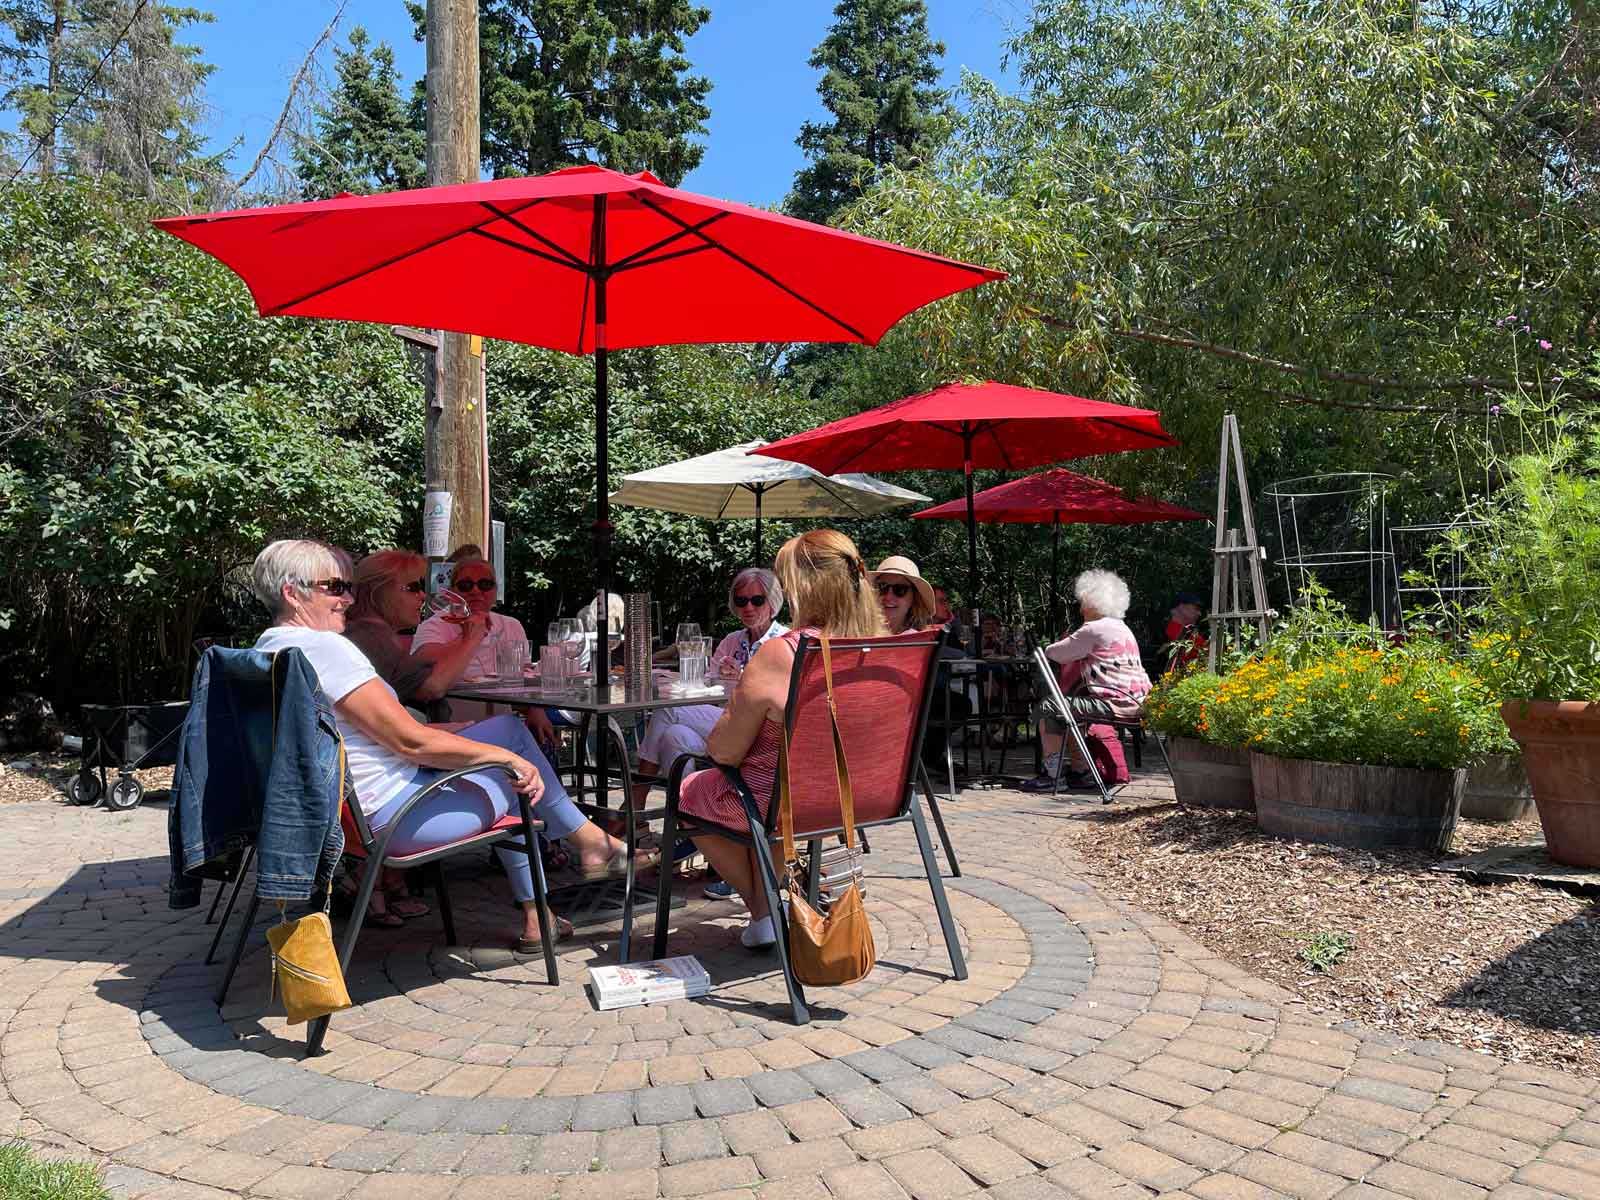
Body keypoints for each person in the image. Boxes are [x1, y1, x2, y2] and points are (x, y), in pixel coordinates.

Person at [249, 539, 651, 950]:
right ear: (292, 592)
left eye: (348, 587)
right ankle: (550, 899)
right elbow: (410, 741)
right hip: (396, 818)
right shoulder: (328, 649)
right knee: (513, 777)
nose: (349, 599)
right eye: (336, 588)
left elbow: (393, 733)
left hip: (350, 811)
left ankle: (581, 854)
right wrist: (505, 758)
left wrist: (482, 741)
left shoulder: (268, 649)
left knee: (509, 734)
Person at [675, 531, 885, 949]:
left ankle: (765, 909)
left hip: (789, 801)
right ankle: (770, 912)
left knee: (692, 790)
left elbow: (723, 750)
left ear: (802, 588)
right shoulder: (882, 648)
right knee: (766, 789)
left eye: (784, 582)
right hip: (861, 796)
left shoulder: (783, 653)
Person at [631, 570, 788, 868]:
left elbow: (779, 699)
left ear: (773, 602)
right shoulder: (731, 641)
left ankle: (636, 803)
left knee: (669, 710)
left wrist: (742, 679)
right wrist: (715, 679)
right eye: (741, 600)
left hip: (758, 733)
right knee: (674, 735)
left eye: (757, 599)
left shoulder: (782, 642)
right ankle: (694, 826)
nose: (749, 607)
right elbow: (706, 690)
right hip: (724, 727)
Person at [1021, 569, 1153, 793]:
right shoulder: (1123, 628)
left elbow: (1055, 654)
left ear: (1093, 602)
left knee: (1049, 706)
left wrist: (1049, 645)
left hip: (1115, 705)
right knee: (1069, 707)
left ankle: (1053, 775)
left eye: (1082, 602)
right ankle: (1081, 771)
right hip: (1141, 702)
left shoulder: (1094, 629)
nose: (1081, 608)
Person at [411, 556, 549, 743]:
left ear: (495, 590)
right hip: (455, 730)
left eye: (485, 584)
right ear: (453, 591)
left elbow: (524, 678)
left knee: (543, 740)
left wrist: (536, 709)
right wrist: (469, 636)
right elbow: (425, 674)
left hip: (504, 727)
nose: (476, 591)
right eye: (466, 585)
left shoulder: (511, 625)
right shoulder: (433, 627)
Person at [344, 550, 489, 718]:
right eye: (413, 588)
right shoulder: (371, 638)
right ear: (379, 592)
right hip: (404, 740)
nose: (422, 595)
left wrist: (465, 638)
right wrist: (472, 639)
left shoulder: (372, 633)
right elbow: (432, 686)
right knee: (510, 727)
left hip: (410, 736)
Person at [1164, 590, 1208, 671]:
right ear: (1182, 607)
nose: (1199, 614)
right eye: (1196, 608)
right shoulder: (1174, 632)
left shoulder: (1183, 631)